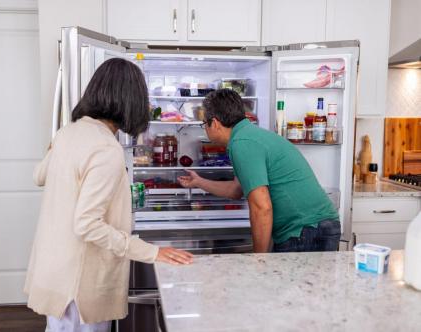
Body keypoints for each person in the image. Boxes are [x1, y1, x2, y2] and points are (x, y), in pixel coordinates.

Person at [24, 58, 193, 332]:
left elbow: (38, 176)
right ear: (130, 101)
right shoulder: (105, 148)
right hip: (80, 285)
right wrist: (152, 252)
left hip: (55, 273)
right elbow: (87, 224)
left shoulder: (68, 133)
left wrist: (57, 146)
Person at [178, 89, 340, 253]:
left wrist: (259, 259)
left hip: (305, 231)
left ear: (215, 123)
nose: (204, 128)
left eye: (204, 123)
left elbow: (261, 207)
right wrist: (199, 182)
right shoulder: (249, 135)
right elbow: (236, 190)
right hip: (315, 227)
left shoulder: (242, 143)